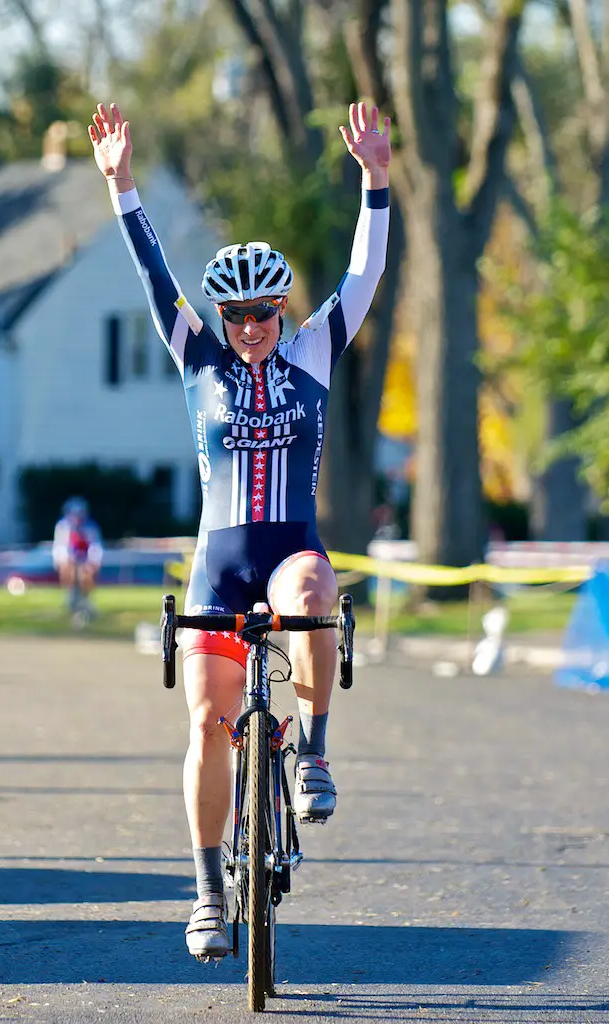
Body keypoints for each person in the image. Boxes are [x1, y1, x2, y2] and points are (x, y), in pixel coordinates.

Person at [89, 99, 391, 959]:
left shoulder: (315, 350)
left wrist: (373, 181)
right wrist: (122, 188)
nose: (253, 327)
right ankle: (207, 893)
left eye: (265, 311)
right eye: (238, 316)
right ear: (221, 320)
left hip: (287, 544)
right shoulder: (197, 358)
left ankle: (316, 754)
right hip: (218, 565)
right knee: (207, 725)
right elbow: (153, 275)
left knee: (310, 588)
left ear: (283, 309)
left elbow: (364, 276)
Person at [52, 497, 103, 622]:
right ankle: (71, 601)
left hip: (85, 561)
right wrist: (66, 560)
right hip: (69, 561)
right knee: (68, 570)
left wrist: (93, 562)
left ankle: (85, 603)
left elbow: (95, 547)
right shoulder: (62, 527)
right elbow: (60, 547)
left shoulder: (91, 528)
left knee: (86, 573)